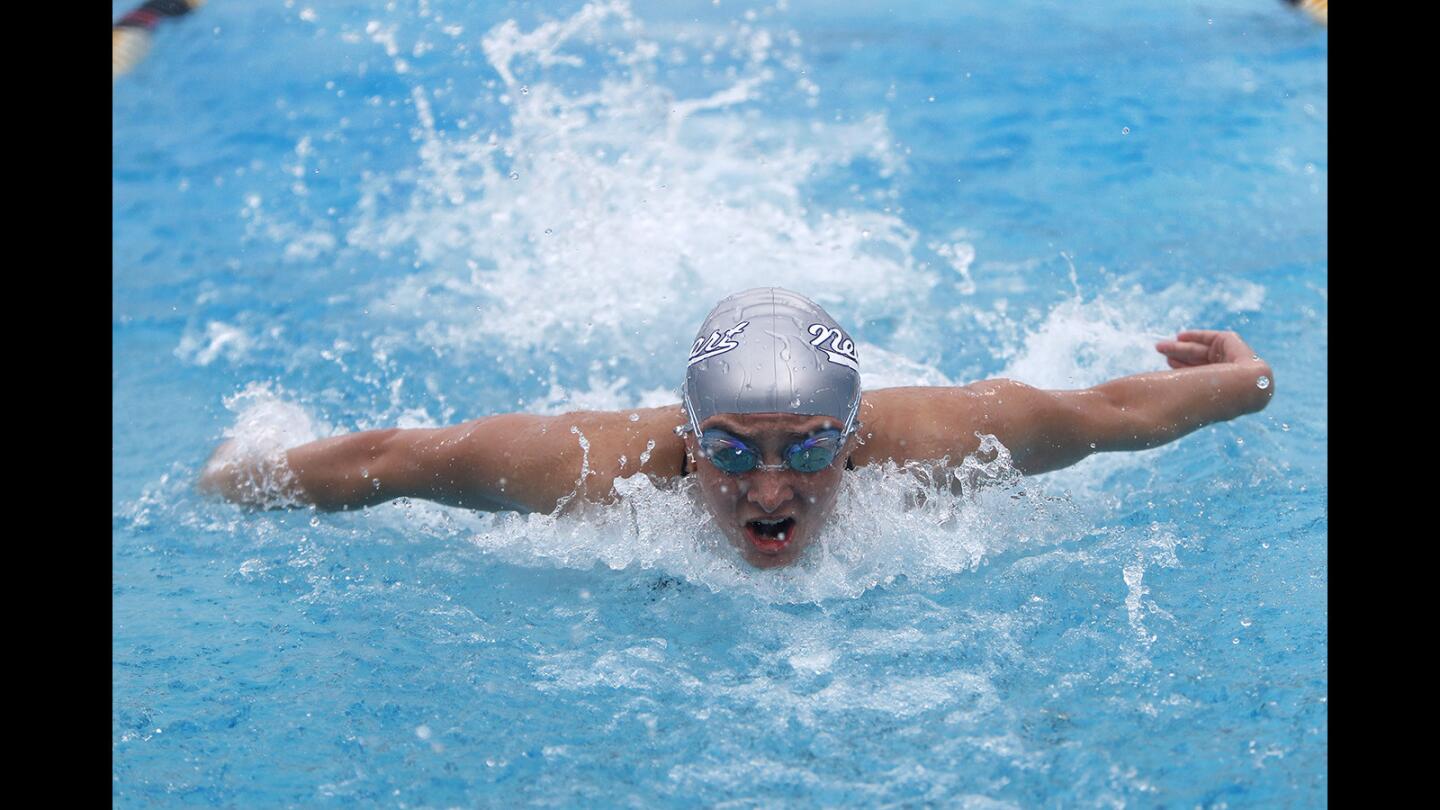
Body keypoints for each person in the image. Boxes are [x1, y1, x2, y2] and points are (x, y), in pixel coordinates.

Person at [200, 287, 1275, 568]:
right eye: (731, 451)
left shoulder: (950, 438)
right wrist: (234, 478)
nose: (769, 491)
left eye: (807, 448)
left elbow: (1116, 412)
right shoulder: (583, 467)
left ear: (854, 438)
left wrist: (1248, 377)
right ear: (686, 432)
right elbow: (387, 461)